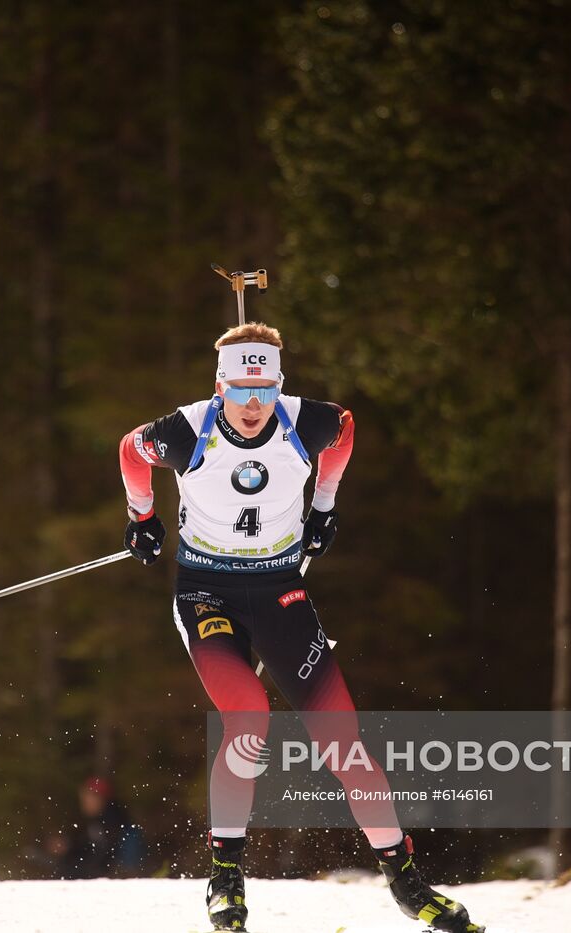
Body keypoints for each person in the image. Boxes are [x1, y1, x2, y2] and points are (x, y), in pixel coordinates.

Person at [118, 323, 482, 933]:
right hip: (208, 592)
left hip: (281, 591)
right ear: (220, 385)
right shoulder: (187, 429)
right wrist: (142, 516)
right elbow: (131, 450)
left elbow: (344, 430)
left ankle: (406, 881)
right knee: (248, 714)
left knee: (344, 743)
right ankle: (226, 876)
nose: (255, 404)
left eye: (265, 388)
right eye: (241, 390)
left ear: (279, 384)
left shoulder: (304, 421)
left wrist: (325, 505)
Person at [50, 775, 144, 879]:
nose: (85, 801)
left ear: (101, 799)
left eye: (89, 797)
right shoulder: (97, 821)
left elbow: (103, 862)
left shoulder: (112, 823)